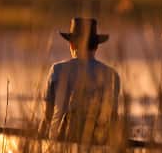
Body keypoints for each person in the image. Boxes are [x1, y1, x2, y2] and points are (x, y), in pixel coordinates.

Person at [39, 17, 120, 145]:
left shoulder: (57, 70)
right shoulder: (112, 75)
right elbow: (113, 118)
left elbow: (48, 116)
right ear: (97, 46)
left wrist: (37, 139)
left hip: (60, 141)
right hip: (97, 142)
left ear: (71, 45)